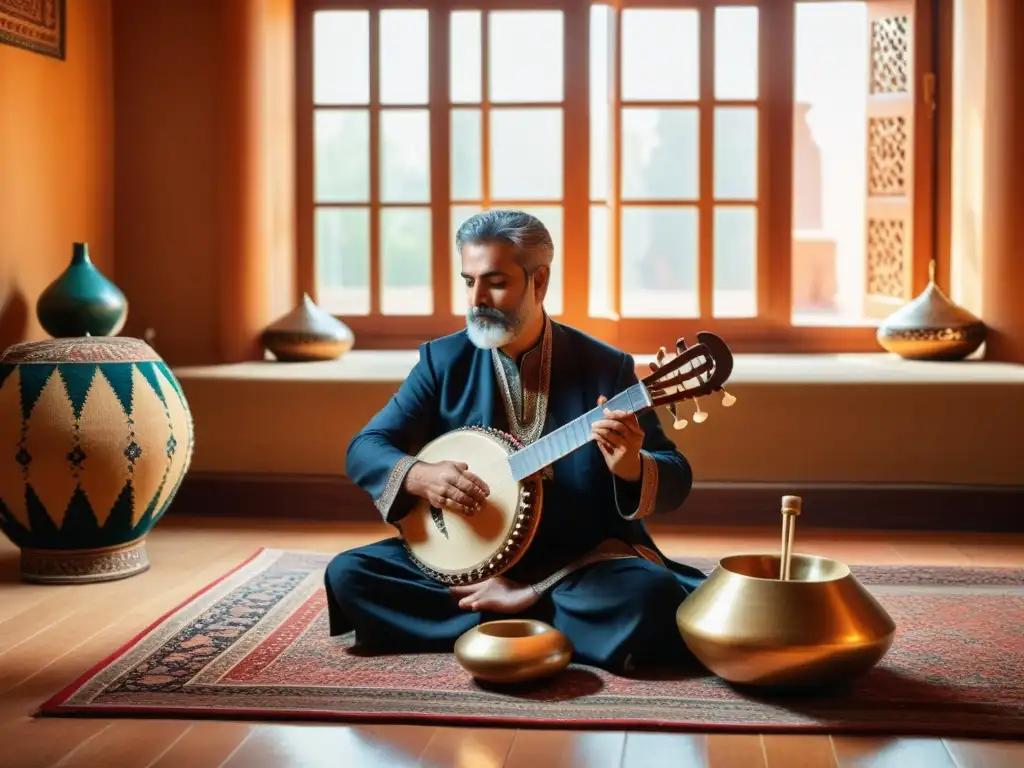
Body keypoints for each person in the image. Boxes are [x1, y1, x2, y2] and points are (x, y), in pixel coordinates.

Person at [325, 209, 708, 674]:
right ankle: (541, 627)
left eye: (495, 282)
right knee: (349, 576)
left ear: (539, 282)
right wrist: (420, 475)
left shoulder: (604, 368)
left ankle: (512, 612)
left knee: (651, 595)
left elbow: (675, 472)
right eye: (468, 282)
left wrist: (630, 463)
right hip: (469, 553)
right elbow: (366, 446)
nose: (476, 299)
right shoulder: (442, 361)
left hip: (573, 566)